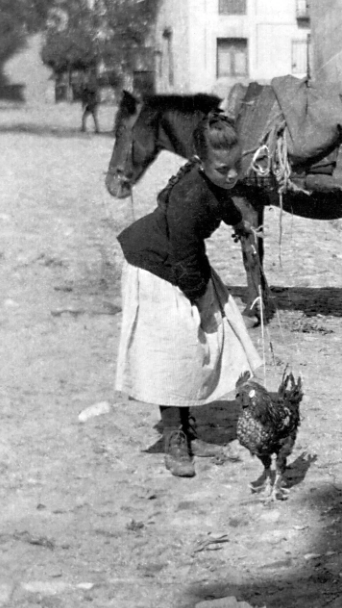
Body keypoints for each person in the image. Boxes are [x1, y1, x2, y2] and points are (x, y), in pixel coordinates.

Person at [115, 112, 263, 478]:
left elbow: (224, 201)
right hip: (153, 267)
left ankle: (187, 429)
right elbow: (184, 258)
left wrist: (240, 223)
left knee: (194, 347)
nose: (231, 175)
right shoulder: (187, 197)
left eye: (237, 165)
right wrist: (201, 301)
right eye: (222, 168)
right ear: (200, 162)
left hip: (180, 263)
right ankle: (175, 437)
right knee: (175, 350)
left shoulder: (213, 182)